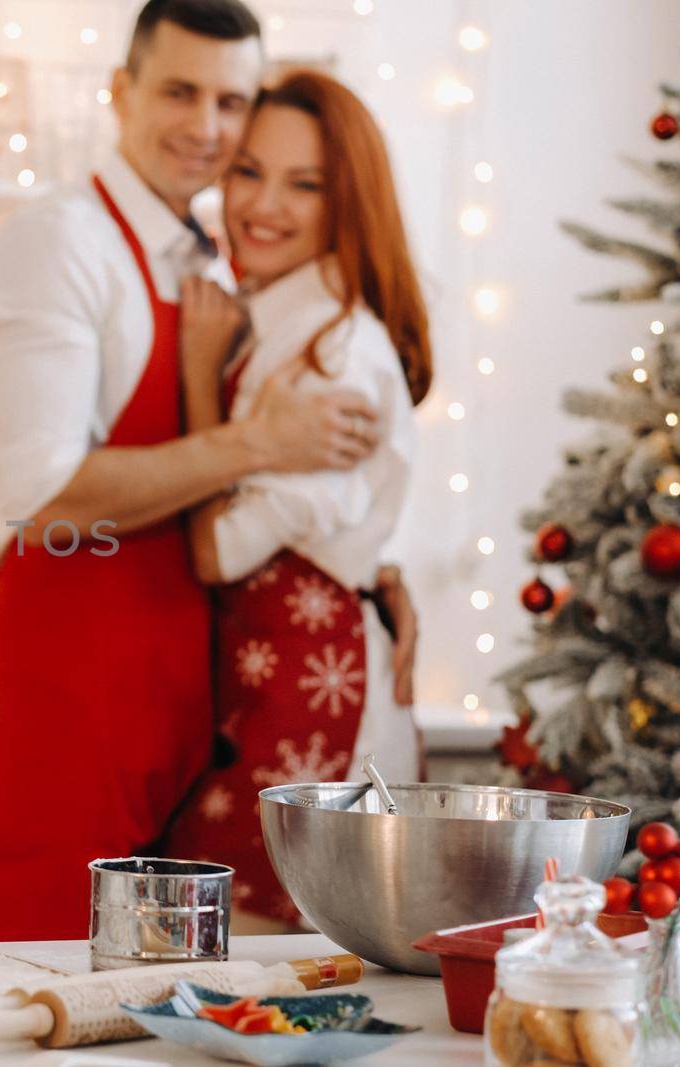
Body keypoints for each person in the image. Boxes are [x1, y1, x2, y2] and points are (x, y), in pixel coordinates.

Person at [0, 0, 403, 942]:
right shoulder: (60, 242)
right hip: (75, 695)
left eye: (230, 101)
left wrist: (362, 557)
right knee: (58, 995)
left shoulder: (206, 256)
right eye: (178, 91)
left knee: (160, 1014)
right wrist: (258, 444)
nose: (205, 127)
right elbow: (41, 496)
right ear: (120, 94)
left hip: (186, 705)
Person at [161, 70, 431, 925]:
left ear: (346, 201)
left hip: (311, 683)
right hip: (269, 670)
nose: (262, 205)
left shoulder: (331, 357)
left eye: (304, 183)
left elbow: (217, 549)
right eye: (248, 170)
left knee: (278, 958)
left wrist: (199, 376)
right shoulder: (279, 312)